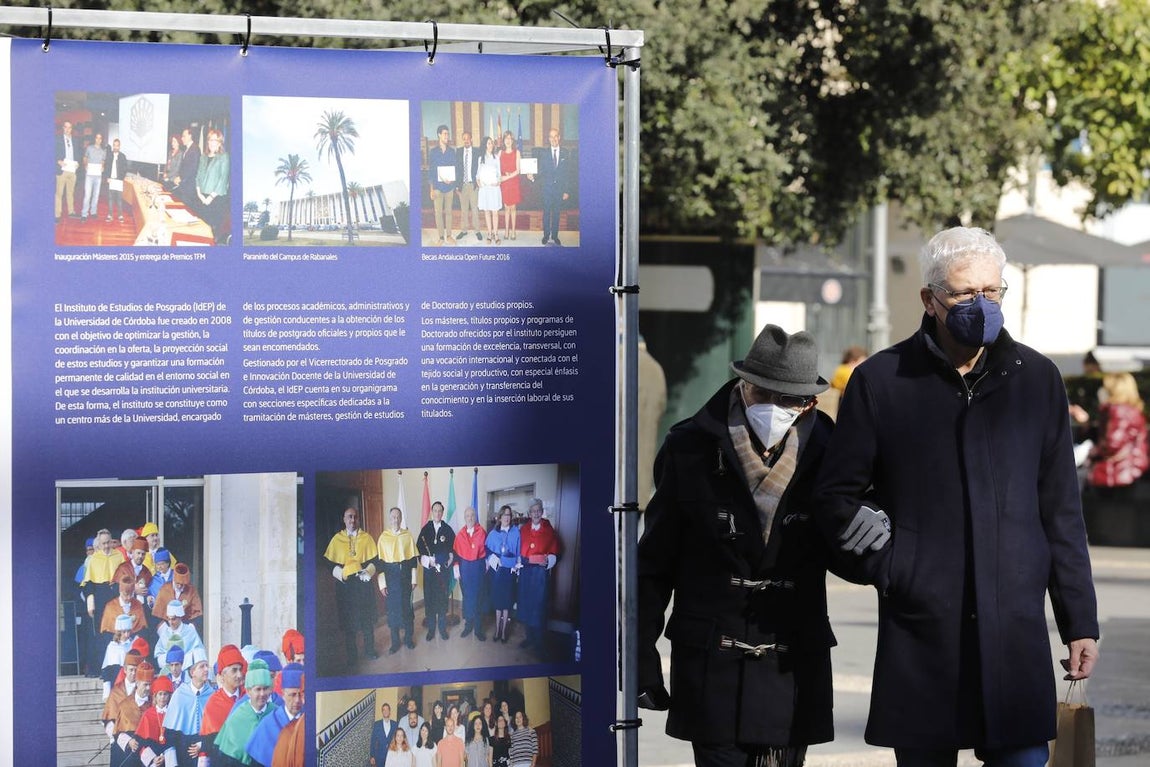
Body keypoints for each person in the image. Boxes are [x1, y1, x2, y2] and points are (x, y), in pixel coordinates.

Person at [813, 226, 1100, 767]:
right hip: (923, 631)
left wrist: (1079, 621)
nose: (982, 305)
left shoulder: (1036, 379)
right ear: (930, 299)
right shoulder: (882, 380)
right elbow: (835, 495)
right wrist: (894, 566)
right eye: (966, 294)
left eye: (993, 292)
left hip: (1013, 633)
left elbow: (1061, 509)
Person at [638, 323, 844, 767]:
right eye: (763, 393)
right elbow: (653, 563)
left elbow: (851, 561)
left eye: (789, 400)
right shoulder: (689, 447)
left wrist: (868, 525)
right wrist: (640, 653)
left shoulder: (832, 454)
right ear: (743, 384)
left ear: (809, 403)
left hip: (791, 668)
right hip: (713, 665)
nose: (774, 408)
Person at [323, 505, 380, 663]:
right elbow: (328, 562)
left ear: (358, 519)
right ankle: (352, 656)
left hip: (363, 585)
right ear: (344, 519)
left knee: (367, 621)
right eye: (349, 516)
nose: (352, 520)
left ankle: (369, 650)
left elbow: (375, 560)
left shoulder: (366, 538)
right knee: (349, 624)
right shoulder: (337, 539)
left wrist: (368, 572)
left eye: (355, 517)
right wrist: (340, 573)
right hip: (345, 587)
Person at [1086, 371, 1149, 491]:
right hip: (1130, 471)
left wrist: (1092, 452)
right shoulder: (1133, 410)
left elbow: (1112, 443)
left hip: (1115, 474)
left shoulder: (1118, 410)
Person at [213, 658, 280, 766]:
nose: (262, 694)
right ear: (248, 691)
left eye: (265, 688)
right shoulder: (236, 717)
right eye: (258, 689)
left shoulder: (278, 714)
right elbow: (225, 757)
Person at [516, 499, 559, 652]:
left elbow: (554, 551)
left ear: (542, 512)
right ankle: (529, 638)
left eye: (538, 510)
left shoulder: (549, 529)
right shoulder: (523, 529)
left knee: (539, 607)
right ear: (529, 513)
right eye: (533, 511)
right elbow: (519, 551)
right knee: (527, 605)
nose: (535, 513)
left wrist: (549, 560)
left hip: (540, 574)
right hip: (526, 573)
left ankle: (540, 642)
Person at [377, 507, 418, 653]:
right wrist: (382, 584)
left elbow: (413, 561)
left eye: (398, 517)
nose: (396, 519)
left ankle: (408, 639)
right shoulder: (383, 537)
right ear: (390, 519)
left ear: (401, 519)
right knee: (392, 610)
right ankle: (395, 642)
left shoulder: (407, 536)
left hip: (405, 576)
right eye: (393, 517)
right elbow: (380, 564)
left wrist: (414, 579)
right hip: (391, 577)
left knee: (407, 609)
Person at [246, 663, 303, 767]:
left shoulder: (312, 721)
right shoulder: (268, 725)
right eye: (292, 695)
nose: (297, 700)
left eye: (302, 694)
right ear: (283, 694)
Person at [163, 656, 214, 767]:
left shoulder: (213, 695)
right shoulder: (179, 694)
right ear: (192, 672)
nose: (206, 669)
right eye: (202, 666)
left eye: (207, 665)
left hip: (206, 749)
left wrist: (203, 745)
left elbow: (217, 731)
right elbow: (170, 733)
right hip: (182, 750)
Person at [417, 501, 455, 641]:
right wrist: (428, 560)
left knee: (442, 600)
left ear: (442, 513)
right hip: (429, 572)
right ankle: (431, 629)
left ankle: (442, 629)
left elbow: (451, 551)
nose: (437, 513)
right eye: (435, 510)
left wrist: (441, 559)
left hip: (442, 573)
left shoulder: (448, 530)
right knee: (430, 599)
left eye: (440, 511)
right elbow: (419, 549)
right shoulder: (425, 529)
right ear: (432, 512)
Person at [532, 128, 574, 245]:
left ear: (559, 137)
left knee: (556, 213)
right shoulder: (544, 153)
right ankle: (546, 235)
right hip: (547, 188)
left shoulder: (565, 152)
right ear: (549, 139)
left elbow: (568, 173)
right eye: (551, 137)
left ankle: (555, 236)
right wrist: (533, 177)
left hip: (559, 189)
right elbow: (541, 170)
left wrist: (566, 191)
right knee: (546, 213)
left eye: (556, 136)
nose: (554, 139)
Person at [453, 506, 488, 641]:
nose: (470, 518)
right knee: (467, 598)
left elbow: (487, 552)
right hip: (465, 570)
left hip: (478, 570)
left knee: (478, 598)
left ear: (475, 517)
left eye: (472, 515)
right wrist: (456, 568)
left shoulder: (482, 532)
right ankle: (468, 626)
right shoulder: (460, 534)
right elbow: (456, 555)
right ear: (464, 518)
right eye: (468, 516)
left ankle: (478, 629)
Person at [486, 505, 520, 644]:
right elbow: (487, 551)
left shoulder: (516, 532)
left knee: (507, 603)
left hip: (509, 572)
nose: (506, 517)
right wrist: (495, 560)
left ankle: (504, 630)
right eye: (504, 515)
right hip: (497, 573)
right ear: (499, 518)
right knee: (499, 602)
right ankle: (497, 629)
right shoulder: (493, 534)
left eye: (508, 515)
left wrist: (517, 566)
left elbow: (519, 552)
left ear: (510, 518)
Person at [193, 128, 230, 244]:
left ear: (219, 143)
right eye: (210, 140)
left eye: (215, 140)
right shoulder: (203, 157)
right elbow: (198, 176)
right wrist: (199, 194)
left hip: (216, 199)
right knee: (201, 229)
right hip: (202, 197)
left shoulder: (224, 157)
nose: (212, 143)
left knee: (211, 232)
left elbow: (223, 180)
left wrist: (210, 197)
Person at [136, 673, 177, 767]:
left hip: (170, 754)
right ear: (155, 696)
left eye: (165, 694)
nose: (162, 697)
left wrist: (165, 757)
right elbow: (142, 742)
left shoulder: (174, 713)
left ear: (169, 696)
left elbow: (176, 739)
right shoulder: (148, 714)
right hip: (153, 756)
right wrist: (153, 758)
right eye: (160, 694)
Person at [155, 600, 207, 670]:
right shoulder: (165, 633)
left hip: (187, 671)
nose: (170, 622)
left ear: (180, 617)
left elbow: (199, 652)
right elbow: (159, 654)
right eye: (168, 619)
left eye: (173, 619)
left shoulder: (190, 631)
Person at [428, 124, 458, 245]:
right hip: (438, 188)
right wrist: (431, 189)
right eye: (445, 133)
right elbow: (431, 171)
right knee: (438, 213)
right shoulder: (433, 152)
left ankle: (449, 236)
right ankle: (441, 237)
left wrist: (452, 180)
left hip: (449, 187)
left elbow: (455, 168)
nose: (447, 136)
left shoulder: (452, 151)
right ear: (439, 135)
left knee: (449, 212)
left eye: (448, 134)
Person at [455, 131, 483, 242]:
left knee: (475, 209)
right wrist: (457, 186)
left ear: (471, 139)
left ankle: (477, 231)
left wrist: (479, 182)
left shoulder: (477, 152)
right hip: (463, 185)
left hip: (473, 185)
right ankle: (464, 230)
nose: (466, 140)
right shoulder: (459, 151)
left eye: (468, 138)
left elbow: (481, 167)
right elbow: (457, 169)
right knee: (464, 209)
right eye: (464, 138)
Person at [477, 136, 504, 244]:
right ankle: (489, 233)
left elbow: (499, 174)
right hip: (484, 189)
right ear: (484, 145)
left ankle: (496, 234)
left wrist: (498, 181)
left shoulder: (496, 158)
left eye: (492, 143)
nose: (491, 145)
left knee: (495, 212)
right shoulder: (480, 159)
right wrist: (478, 182)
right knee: (487, 211)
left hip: (494, 188)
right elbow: (477, 175)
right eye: (488, 143)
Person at [498, 131, 522, 241]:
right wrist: (501, 176)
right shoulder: (500, 153)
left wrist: (507, 177)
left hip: (513, 182)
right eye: (506, 138)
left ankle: (513, 230)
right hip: (504, 184)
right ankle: (506, 230)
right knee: (506, 208)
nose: (508, 140)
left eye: (510, 138)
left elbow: (518, 170)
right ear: (503, 140)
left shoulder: (517, 152)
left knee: (513, 208)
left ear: (513, 141)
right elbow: (496, 169)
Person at [55, 120, 80, 221]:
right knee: (59, 193)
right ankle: (57, 215)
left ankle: (71, 212)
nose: (68, 129)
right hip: (62, 169)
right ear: (63, 128)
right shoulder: (57, 139)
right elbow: (50, 152)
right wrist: (58, 161)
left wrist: (77, 162)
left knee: (70, 192)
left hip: (72, 170)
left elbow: (78, 153)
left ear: (71, 129)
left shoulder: (75, 140)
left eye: (69, 127)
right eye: (66, 127)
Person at [81, 132, 108, 221]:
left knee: (96, 195)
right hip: (89, 175)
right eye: (97, 138)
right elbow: (85, 158)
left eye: (100, 138)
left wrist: (103, 167)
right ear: (95, 138)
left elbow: (103, 161)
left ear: (101, 140)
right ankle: (84, 214)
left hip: (98, 176)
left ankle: (93, 212)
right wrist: (85, 165)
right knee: (87, 195)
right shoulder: (89, 148)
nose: (98, 140)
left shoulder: (103, 151)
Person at [171, 127, 200, 204]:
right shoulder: (187, 149)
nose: (182, 138)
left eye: (184, 136)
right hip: (184, 185)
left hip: (189, 187)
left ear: (190, 136)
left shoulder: (195, 149)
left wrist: (180, 178)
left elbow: (192, 169)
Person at [103, 138, 130, 222]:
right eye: (114, 145)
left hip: (119, 180)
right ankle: (110, 215)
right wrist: (107, 177)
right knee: (110, 199)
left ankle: (120, 215)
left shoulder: (122, 156)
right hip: (111, 180)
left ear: (119, 146)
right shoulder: (109, 155)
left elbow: (125, 169)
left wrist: (121, 178)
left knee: (119, 199)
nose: (115, 147)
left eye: (117, 146)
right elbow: (106, 167)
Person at [370, 701, 399, 766]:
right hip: (379, 756)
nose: (385, 711)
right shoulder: (377, 724)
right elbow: (373, 740)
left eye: (387, 709)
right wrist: (372, 756)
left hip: (392, 755)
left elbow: (397, 740)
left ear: (390, 711)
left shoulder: (395, 724)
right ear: (382, 712)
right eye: (384, 710)